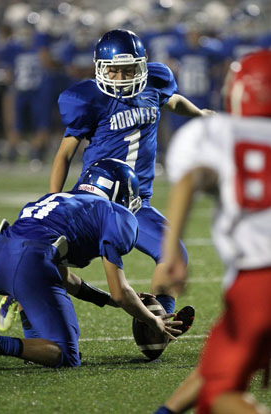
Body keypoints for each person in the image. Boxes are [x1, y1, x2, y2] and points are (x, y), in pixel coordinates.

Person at [49, 29, 214, 322]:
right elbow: (64, 154)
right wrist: (54, 200)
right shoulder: (89, 99)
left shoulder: (155, 82)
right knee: (51, 257)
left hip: (137, 202)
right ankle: (20, 297)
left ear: (143, 65)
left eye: (129, 71)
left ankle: (161, 321)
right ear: (101, 68)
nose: (122, 79)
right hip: (94, 200)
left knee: (173, 254)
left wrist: (200, 115)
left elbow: (172, 100)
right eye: (114, 72)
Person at [154, 49, 271, 413]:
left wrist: (171, 251)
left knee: (221, 394)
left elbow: (194, 176)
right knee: (216, 377)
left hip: (260, 280)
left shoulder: (219, 131)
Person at [0, 158, 179, 367]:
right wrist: (153, 320)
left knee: (41, 289)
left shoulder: (55, 200)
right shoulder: (114, 213)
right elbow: (121, 293)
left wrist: (110, 300)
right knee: (66, 355)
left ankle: (33, 348)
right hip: (28, 263)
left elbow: (65, 279)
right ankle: (0, 344)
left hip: (1, 247)